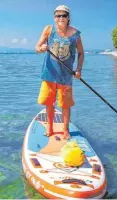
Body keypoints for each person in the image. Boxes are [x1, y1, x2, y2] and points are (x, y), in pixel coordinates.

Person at [35, 5, 84, 139]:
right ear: (54, 17)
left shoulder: (75, 34)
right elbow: (37, 47)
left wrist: (78, 69)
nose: (61, 18)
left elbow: (81, 53)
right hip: (49, 74)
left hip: (66, 76)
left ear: (68, 18)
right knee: (48, 103)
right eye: (58, 15)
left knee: (65, 105)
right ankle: (49, 128)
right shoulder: (48, 30)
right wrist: (42, 48)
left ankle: (65, 131)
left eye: (64, 15)